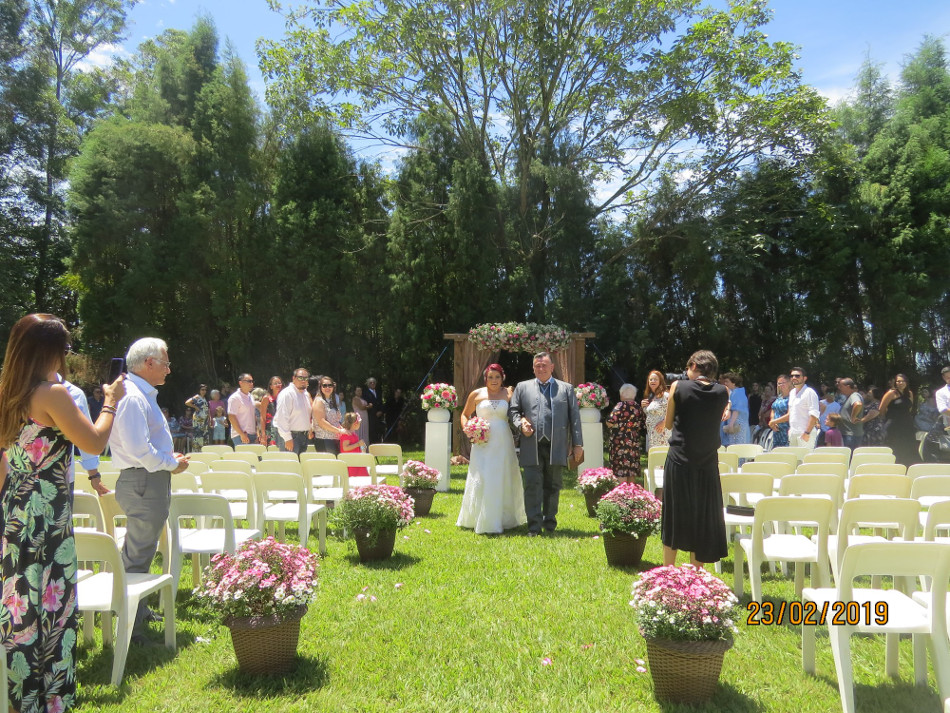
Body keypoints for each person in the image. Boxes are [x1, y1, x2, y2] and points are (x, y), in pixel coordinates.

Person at [0, 314, 125, 711]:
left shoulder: (6, 392)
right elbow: (94, 440)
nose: (67, 356)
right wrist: (110, 401)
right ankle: (52, 701)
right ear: (48, 350)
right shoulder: (52, 394)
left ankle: (23, 698)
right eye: (66, 348)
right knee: (52, 607)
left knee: (20, 606)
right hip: (48, 515)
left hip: (15, 511)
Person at [109, 337, 189, 646]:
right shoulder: (132, 396)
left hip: (147, 480)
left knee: (140, 550)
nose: (169, 370)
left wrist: (169, 462)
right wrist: (171, 464)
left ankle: (137, 614)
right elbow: (140, 450)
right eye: (166, 363)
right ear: (149, 363)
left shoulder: (139, 394)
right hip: (143, 479)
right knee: (138, 554)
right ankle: (133, 631)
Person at [660, 349, 730, 566]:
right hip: (707, 461)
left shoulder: (677, 387)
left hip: (680, 458)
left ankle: (668, 571)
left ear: (693, 366)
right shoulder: (723, 392)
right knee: (702, 517)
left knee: (674, 515)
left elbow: (669, 424)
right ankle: (695, 576)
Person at [508, 353, 583, 536]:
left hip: (556, 446)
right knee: (532, 485)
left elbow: (575, 418)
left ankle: (549, 524)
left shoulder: (565, 389)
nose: (541, 369)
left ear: (552, 367)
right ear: (533, 368)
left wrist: (577, 444)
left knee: (553, 485)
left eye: (544, 365)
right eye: (537, 366)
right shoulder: (522, 387)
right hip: (531, 444)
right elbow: (513, 412)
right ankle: (534, 526)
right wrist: (520, 424)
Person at [458, 364, 526, 534]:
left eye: (497, 377)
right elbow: (465, 414)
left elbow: (518, 413)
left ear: (503, 377)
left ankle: (505, 518)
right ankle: (477, 517)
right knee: (483, 475)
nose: (494, 380)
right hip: (482, 441)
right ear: (485, 378)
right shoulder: (477, 394)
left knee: (502, 475)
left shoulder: (509, 394)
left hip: (503, 440)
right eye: (490, 377)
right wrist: (469, 429)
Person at [605, 383, 645, 483]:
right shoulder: (638, 408)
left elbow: (610, 421)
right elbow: (643, 424)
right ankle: (631, 495)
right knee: (632, 470)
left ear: (622, 394)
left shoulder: (620, 406)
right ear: (634, 395)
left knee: (621, 470)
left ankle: (621, 495)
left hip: (620, 442)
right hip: (633, 442)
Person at [879, 373, 917, 465]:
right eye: (898, 381)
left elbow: (909, 408)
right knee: (893, 448)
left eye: (903, 381)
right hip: (893, 425)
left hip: (907, 425)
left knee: (907, 447)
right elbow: (881, 409)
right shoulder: (891, 393)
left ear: (906, 382)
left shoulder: (910, 394)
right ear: (895, 383)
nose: (901, 383)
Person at [274, 369, 313, 454]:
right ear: (293, 378)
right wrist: (287, 438)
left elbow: (306, 415)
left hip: (303, 437)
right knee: (290, 466)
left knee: (299, 466)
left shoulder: (305, 394)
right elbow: (282, 418)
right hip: (291, 437)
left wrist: (309, 429)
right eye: (300, 378)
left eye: (306, 378)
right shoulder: (287, 394)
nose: (303, 380)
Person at [784, 366, 820, 449]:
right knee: (794, 460)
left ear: (804, 378)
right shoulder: (792, 393)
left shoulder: (810, 392)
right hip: (793, 433)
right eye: (791, 376)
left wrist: (807, 432)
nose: (794, 378)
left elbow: (814, 415)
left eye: (797, 376)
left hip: (805, 433)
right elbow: (790, 413)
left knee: (805, 460)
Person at [312, 376, 345, 454]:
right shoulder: (319, 401)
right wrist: (339, 431)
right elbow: (321, 422)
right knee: (329, 465)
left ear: (333, 387)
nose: (327, 387)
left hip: (335, 439)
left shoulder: (331, 401)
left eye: (330, 385)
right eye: (324, 385)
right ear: (320, 387)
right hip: (324, 439)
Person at [641, 370, 671, 450]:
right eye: (651, 379)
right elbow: (650, 413)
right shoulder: (650, 396)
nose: (653, 381)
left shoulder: (665, 395)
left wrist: (664, 423)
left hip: (662, 433)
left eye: (655, 379)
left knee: (662, 457)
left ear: (660, 381)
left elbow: (673, 411)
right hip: (652, 434)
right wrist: (643, 406)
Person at [719, 372, 750, 446]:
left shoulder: (738, 393)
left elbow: (736, 410)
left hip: (737, 425)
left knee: (737, 446)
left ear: (734, 383)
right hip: (735, 424)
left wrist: (731, 424)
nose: (725, 383)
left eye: (727, 381)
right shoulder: (734, 392)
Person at [227, 373, 258, 446]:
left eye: (252, 381)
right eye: (249, 381)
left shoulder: (251, 397)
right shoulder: (235, 398)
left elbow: (253, 416)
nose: (251, 383)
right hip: (240, 436)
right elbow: (231, 417)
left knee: (253, 457)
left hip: (252, 434)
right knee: (243, 457)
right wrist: (241, 434)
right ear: (240, 383)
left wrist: (257, 432)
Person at [837, 378, 865, 450]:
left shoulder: (854, 395)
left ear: (848, 386)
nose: (839, 388)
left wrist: (853, 417)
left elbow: (858, 404)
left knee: (850, 458)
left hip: (851, 435)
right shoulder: (849, 397)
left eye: (841, 386)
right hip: (848, 434)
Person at [339, 413, 368, 477]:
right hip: (350, 461)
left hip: (356, 459)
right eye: (359, 423)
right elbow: (345, 448)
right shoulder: (347, 434)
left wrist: (363, 447)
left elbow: (360, 446)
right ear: (355, 424)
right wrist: (358, 444)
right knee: (353, 476)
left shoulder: (353, 434)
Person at [257, 376, 283, 447]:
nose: (278, 385)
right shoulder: (266, 398)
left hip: (282, 429)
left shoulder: (284, 397)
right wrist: (263, 434)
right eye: (275, 383)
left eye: (279, 383)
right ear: (271, 386)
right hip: (269, 430)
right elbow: (262, 417)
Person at [768, 375, 791, 449]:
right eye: (779, 383)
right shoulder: (779, 397)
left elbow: (789, 415)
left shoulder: (792, 397)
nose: (781, 385)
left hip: (786, 431)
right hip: (776, 431)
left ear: (789, 383)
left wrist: (774, 422)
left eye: (783, 383)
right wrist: (772, 421)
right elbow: (773, 409)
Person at [184, 384, 210, 449]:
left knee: (204, 434)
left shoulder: (205, 398)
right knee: (198, 434)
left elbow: (207, 409)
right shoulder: (197, 397)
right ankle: (197, 450)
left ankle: (203, 449)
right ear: (199, 390)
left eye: (205, 390)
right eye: (202, 390)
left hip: (205, 419)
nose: (204, 391)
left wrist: (209, 419)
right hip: (198, 418)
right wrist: (195, 406)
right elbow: (187, 402)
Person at [363, 377, 384, 444]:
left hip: (379, 415)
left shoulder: (378, 392)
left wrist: (381, 411)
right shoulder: (365, 393)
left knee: (378, 431)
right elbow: (366, 404)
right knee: (372, 431)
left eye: (374, 382)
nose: (372, 384)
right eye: (371, 382)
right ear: (368, 384)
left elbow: (381, 402)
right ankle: (372, 446)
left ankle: (378, 446)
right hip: (371, 415)